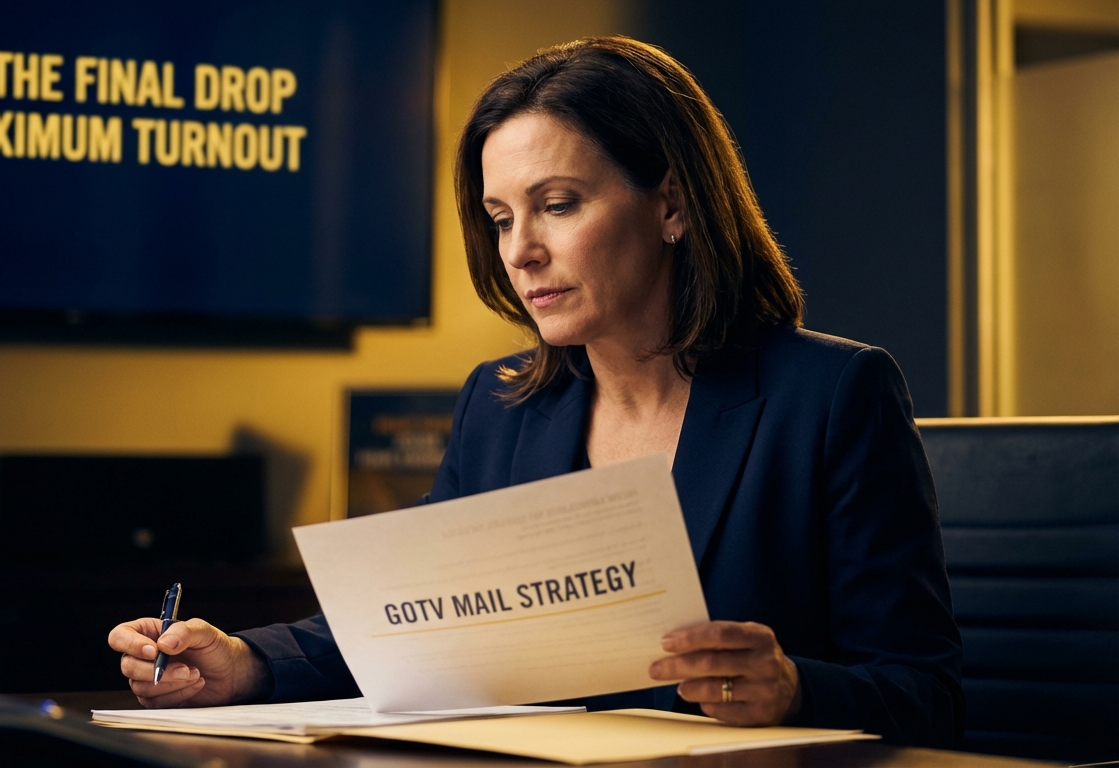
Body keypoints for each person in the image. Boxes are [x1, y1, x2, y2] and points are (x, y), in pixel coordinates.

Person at [108, 36, 964, 746]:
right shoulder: (503, 403)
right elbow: (411, 633)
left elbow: (925, 693)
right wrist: (243, 664)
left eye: (557, 204)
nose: (520, 253)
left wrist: (793, 690)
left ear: (672, 203)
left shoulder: (835, 394)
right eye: (501, 217)